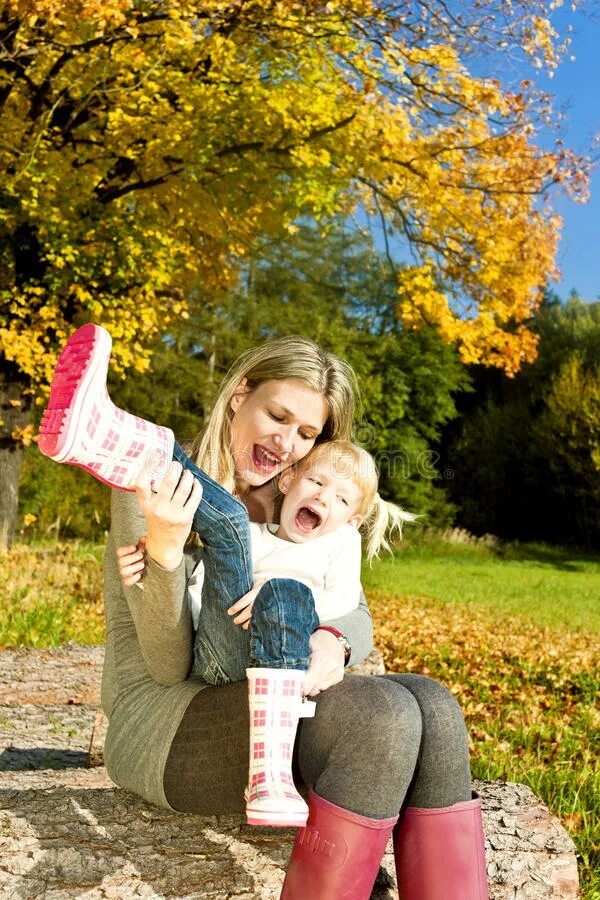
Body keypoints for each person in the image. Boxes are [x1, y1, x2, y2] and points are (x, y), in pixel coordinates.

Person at [39, 324, 489, 898]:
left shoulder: (301, 494)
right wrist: (169, 552)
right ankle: (110, 435)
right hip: (169, 718)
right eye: (277, 416)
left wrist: (335, 643)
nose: (287, 444)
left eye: (306, 433)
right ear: (239, 394)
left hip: (268, 694)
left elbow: (356, 613)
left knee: (433, 704)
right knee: (382, 716)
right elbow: (166, 665)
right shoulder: (147, 489)